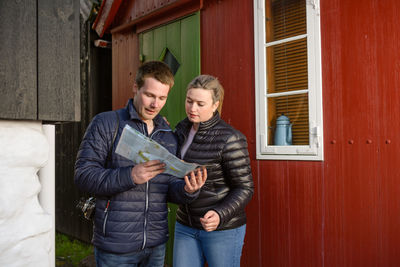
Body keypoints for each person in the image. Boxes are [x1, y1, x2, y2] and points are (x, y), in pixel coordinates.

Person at [74, 61, 207, 267]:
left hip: (155, 246)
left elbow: (168, 189)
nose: (156, 104)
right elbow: (83, 176)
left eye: (162, 98)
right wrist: (130, 176)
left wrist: (188, 190)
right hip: (116, 246)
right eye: (150, 96)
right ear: (135, 87)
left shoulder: (167, 136)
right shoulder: (107, 123)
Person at [172, 75, 254, 267]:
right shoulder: (180, 131)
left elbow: (245, 188)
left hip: (222, 228)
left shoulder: (230, 138)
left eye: (201, 104)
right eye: (189, 101)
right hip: (185, 224)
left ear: (215, 105)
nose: (192, 109)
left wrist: (219, 214)